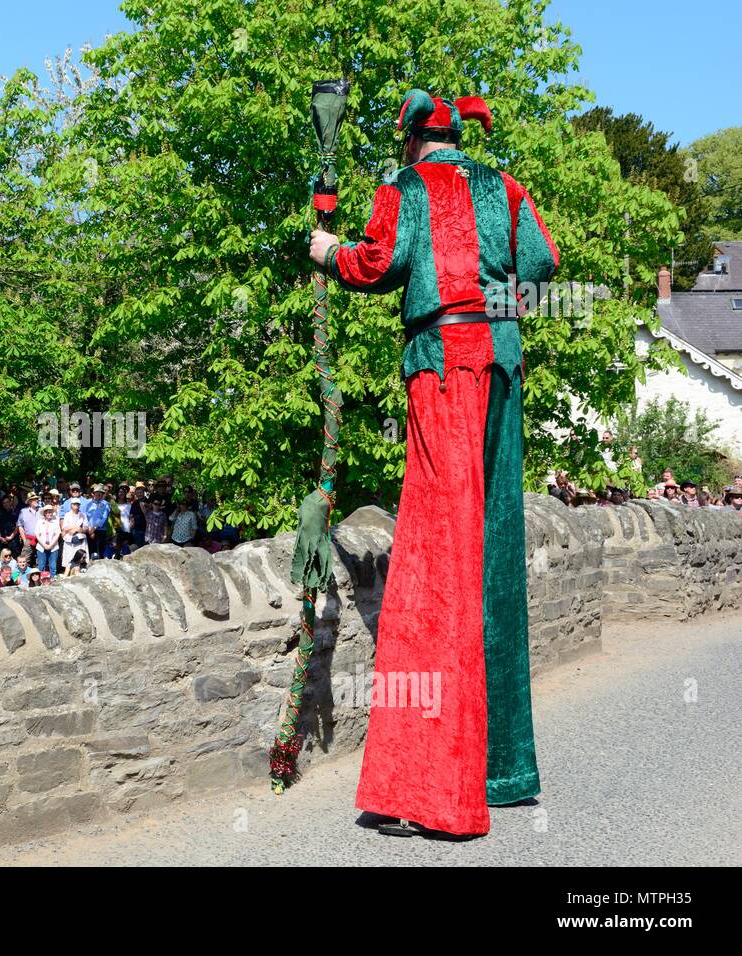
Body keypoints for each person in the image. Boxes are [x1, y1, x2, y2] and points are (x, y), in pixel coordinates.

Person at [309, 89, 556, 838]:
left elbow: (381, 261)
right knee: (491, 553)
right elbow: (543, 262)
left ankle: (436, 793)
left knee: (435, 558)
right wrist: (495, 312)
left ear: (414, 140)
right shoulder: (507, 186)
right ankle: (501, 771)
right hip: (502, 370)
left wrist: (328, 252)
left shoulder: (404, 186)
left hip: (443, 368)